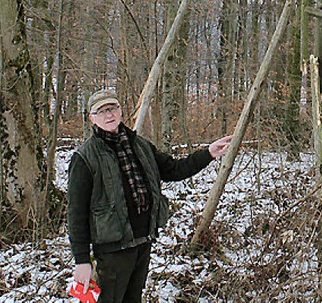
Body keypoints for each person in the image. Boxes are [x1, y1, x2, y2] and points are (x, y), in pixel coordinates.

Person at [67, 88, 232, 303]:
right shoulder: (84, 158)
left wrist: (208, 153)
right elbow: (76, 213)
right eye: (101, 111)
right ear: (92, 117)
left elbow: (173, 169)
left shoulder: (140, 145)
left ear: (120, 110)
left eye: (112, 108)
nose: (109, 115)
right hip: (113, 250)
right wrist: (82, 260)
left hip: (143, 242)